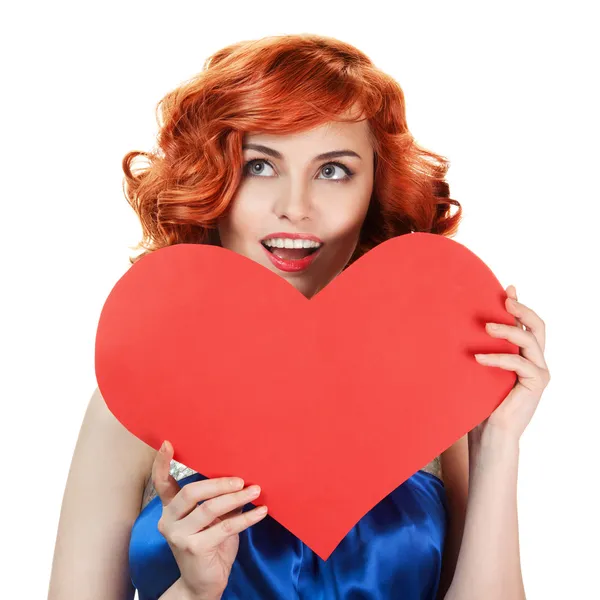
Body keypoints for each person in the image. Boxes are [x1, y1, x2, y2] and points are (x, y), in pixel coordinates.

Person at [49, 33, 548, 600]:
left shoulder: (430, 385)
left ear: (374, 191)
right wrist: (192, 591)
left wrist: (500, 441)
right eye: (259, 164)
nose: (296, 205)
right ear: (212, 180)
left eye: (333, 171)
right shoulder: (135, 394)